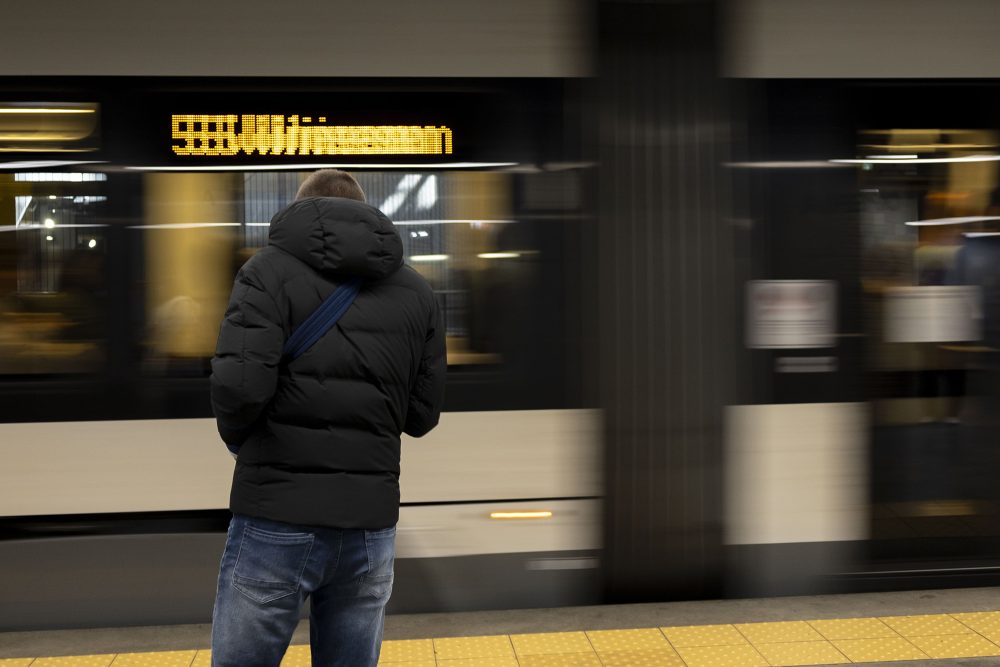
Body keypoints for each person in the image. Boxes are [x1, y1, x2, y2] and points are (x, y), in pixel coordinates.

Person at [208, 169, 446, 667]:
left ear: (299, 210)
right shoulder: (417, 293)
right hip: (369, 524)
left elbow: (238, 387)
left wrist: (241, 443)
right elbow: (422, 415)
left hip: (275, 514)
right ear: (365, 210)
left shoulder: (265, 273)